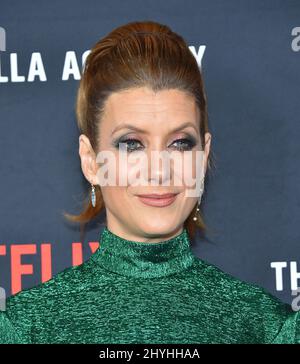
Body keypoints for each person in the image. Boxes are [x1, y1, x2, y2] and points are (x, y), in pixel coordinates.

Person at [0, 20, 299, 344]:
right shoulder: (25, 329)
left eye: (180, 143)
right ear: (90, 161)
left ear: (204, 154)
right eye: (131, 144)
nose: (159, 170)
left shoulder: (268, 328)